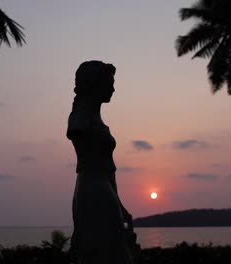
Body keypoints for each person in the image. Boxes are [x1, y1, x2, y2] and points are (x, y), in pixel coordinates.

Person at [67, 60, 135, 264]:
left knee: (113, 249)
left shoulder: (93, 118)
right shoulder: (81, 117)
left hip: (103, 188)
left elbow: (109, 171)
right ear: (95, 84)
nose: (113, 88)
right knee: (105, 250)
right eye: (109, 82)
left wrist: (119, 204)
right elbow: (74, 129)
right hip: (93, 189)